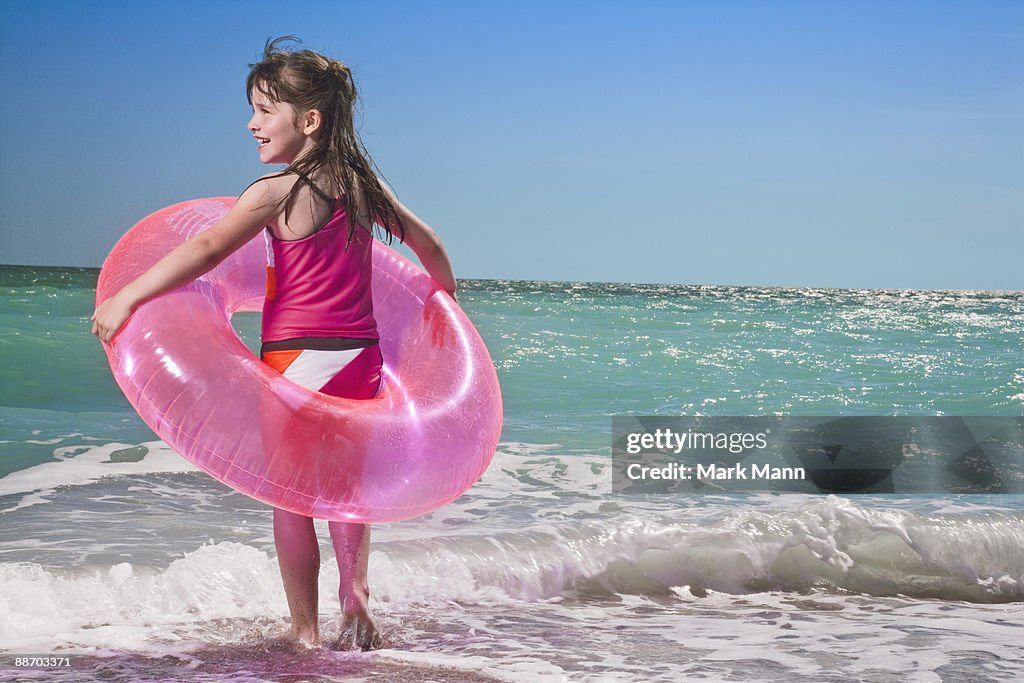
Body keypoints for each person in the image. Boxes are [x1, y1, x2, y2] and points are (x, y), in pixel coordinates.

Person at [91, 37, 457, 650]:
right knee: (347, 489)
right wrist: (442, 311)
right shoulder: (364, 190)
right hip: (361, 360)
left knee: (292, 498)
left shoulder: (276, 192)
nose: (251, 123)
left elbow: (202, 251)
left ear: (308, 121)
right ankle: (357, 596)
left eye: (265, 111)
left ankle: (306, 631)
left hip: (296, 362)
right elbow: (430, 246)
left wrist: (127, 297)